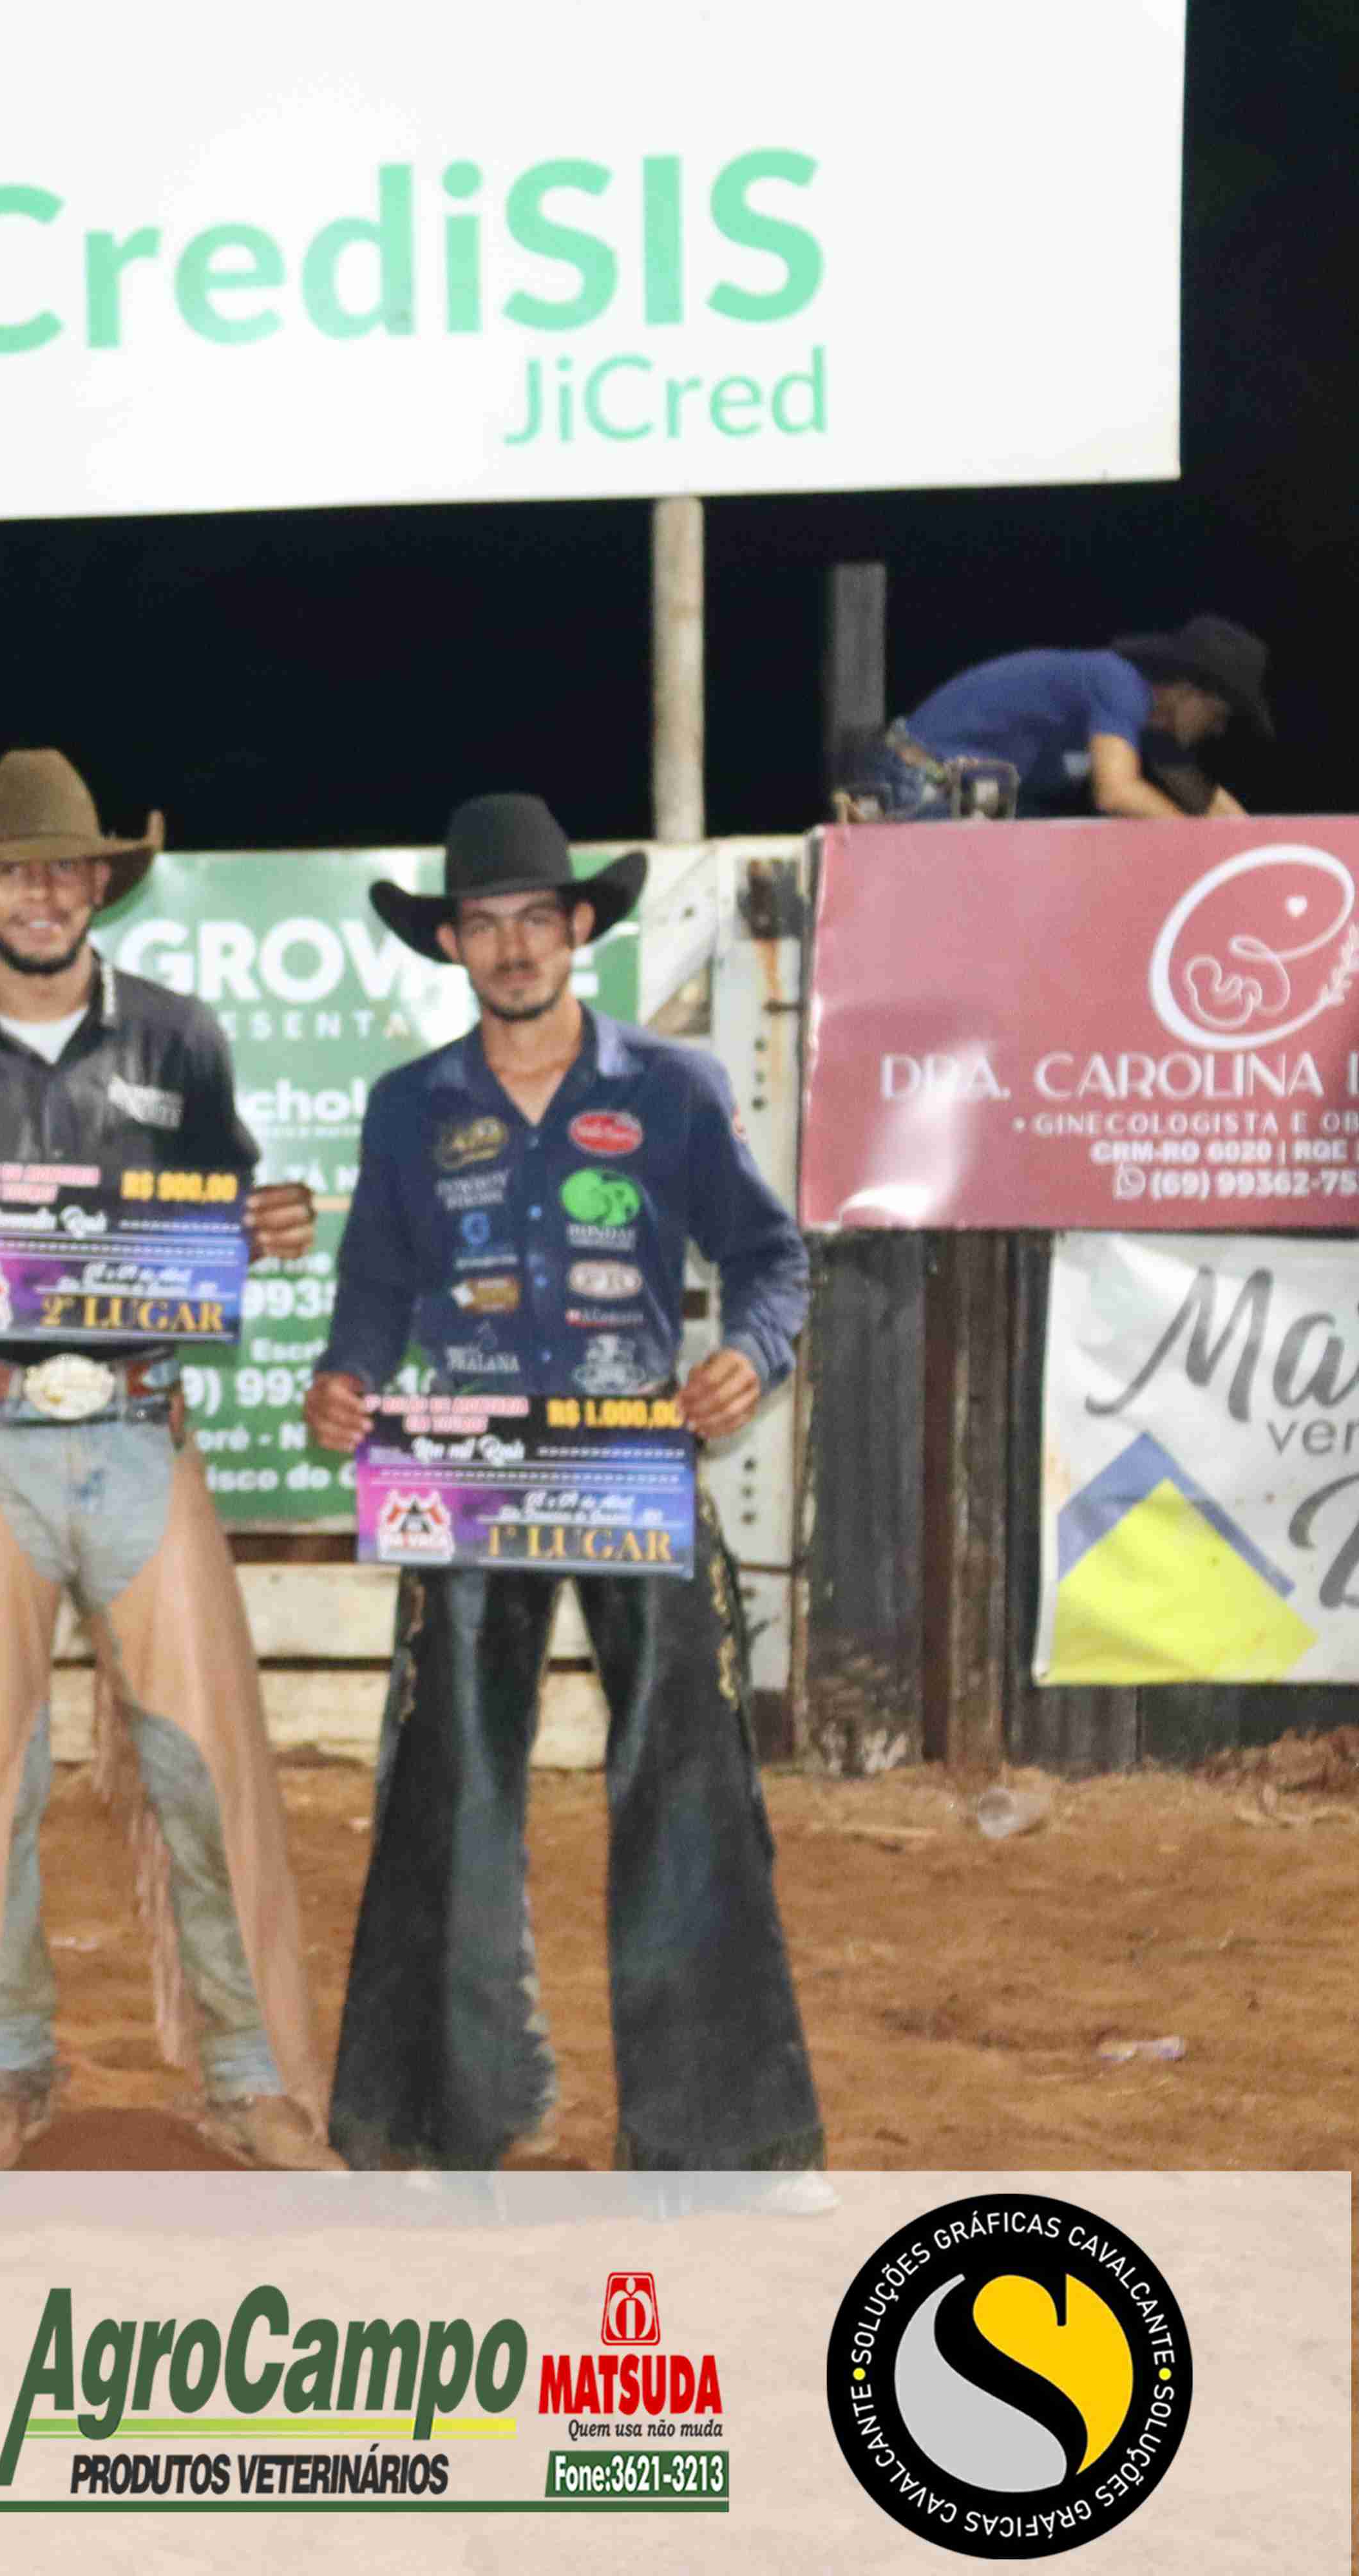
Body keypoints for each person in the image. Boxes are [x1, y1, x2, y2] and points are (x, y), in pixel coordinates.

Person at [0, 750, 339, 2173]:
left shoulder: (182, 1040)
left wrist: (270, 1222)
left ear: (101, 880)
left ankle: (254, 2076)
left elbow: (230, 1202)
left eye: (65, 866)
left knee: (205, 1757)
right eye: (14, 871)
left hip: (140, 1426)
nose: (42, 892)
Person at [305, 791, 824, 2175]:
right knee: (450, 1782)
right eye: (486, 923)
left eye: (538, 918)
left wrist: (750, 1355)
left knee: (686, 1779)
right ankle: (444, 2124)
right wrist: (344, 1376)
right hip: (466, 1473)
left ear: (580, 925)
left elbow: (771, 1259)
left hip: (636, 1462)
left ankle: (720, 2146)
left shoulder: (670, 1087)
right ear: (452, 942)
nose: (515, 946)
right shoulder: (409, 1107)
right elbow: (375, 1286)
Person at [866, 614, 1270, 819]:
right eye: (1220, 715)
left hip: (981, 794)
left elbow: (1209, 806)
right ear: (1189, 692)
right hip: (920, 779)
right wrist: (1199, 849)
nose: (1219, 730)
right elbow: (1117, 793)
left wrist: (1267, 851)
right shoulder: (1119, 683)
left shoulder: (1152, 726)